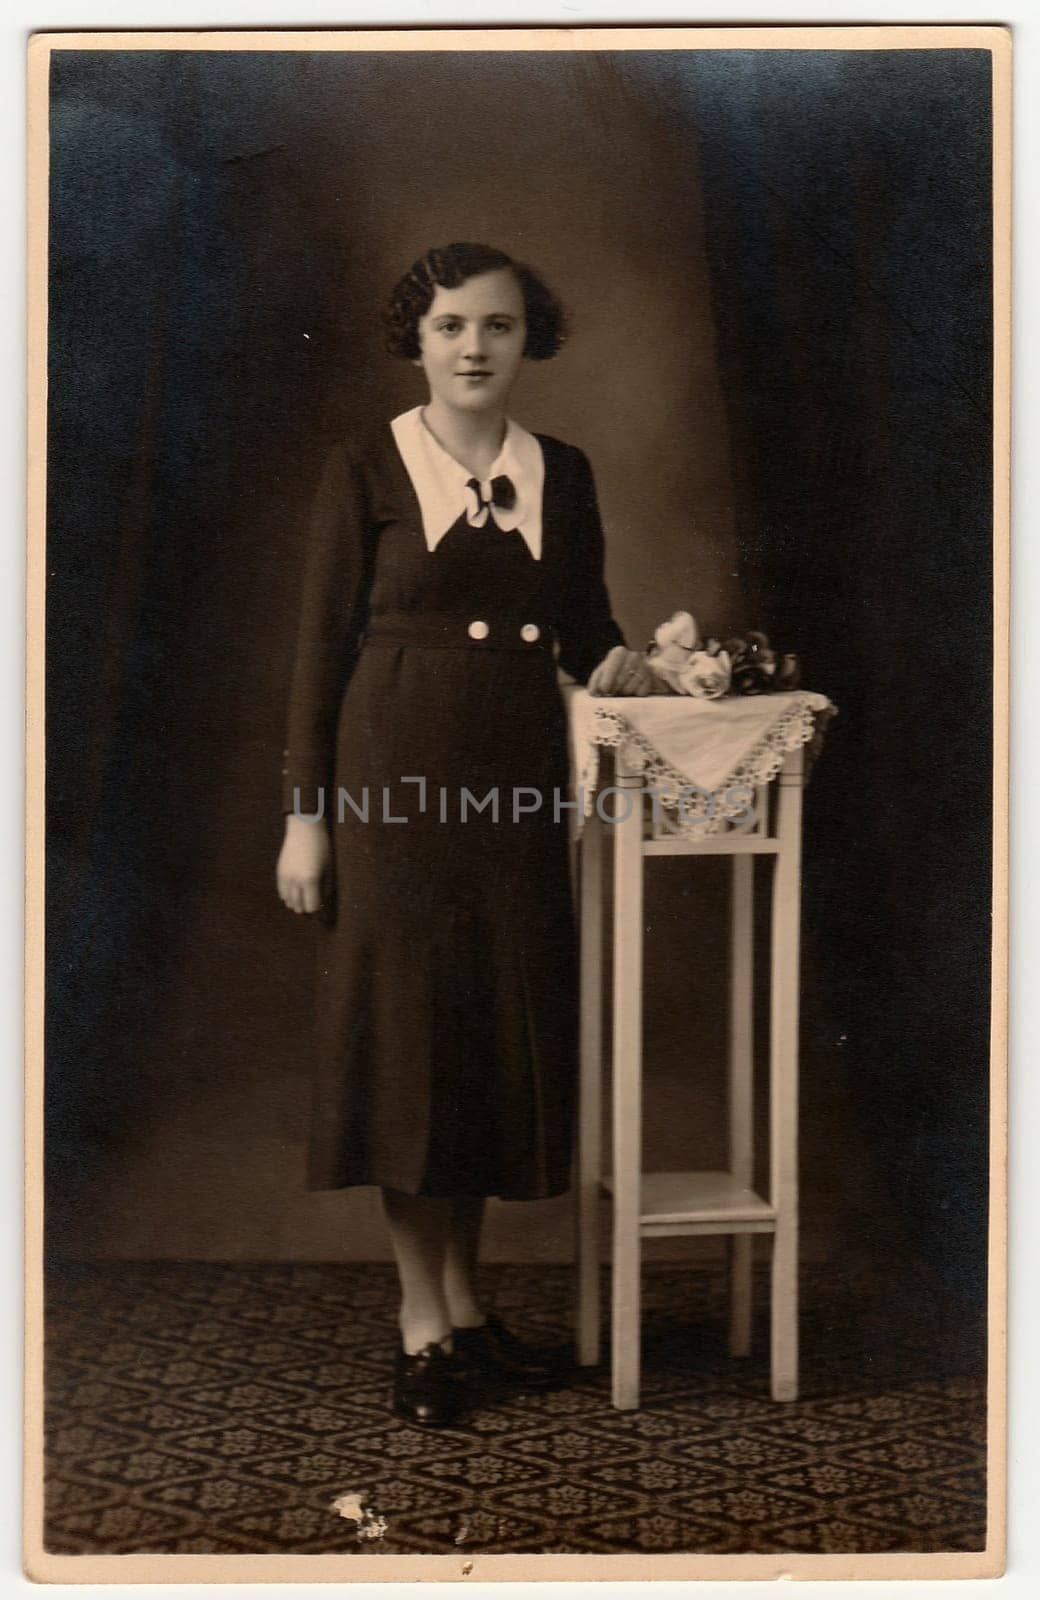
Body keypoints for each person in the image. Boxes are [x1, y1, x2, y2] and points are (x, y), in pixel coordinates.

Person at [276, 242, 657, 1427]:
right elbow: (312, 656)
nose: (474, 348)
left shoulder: (566, 472)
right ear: (418, 338)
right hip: (387, 787)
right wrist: (306, 821)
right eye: (450, 327)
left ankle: (472, 1313)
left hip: (511, 787)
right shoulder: (363, 466)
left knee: (486, 1039)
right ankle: (419, 1322)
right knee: (407, 1046)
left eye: (496, 326)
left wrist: (661, 662)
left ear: (524, 338)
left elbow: (588, 629)